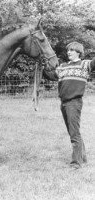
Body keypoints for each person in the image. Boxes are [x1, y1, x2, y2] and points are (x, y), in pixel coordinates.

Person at [43, 41, 95, 169]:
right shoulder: (63, 66)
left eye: (72, 50)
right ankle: (82, 157)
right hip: (64, 103)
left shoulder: (84, 64)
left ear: (78, 52)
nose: (68, 52)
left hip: (74, 103)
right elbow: (50, 75)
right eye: (68, 50)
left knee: (74, 133)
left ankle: (76, 163)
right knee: (73, 131)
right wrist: (43, 67)